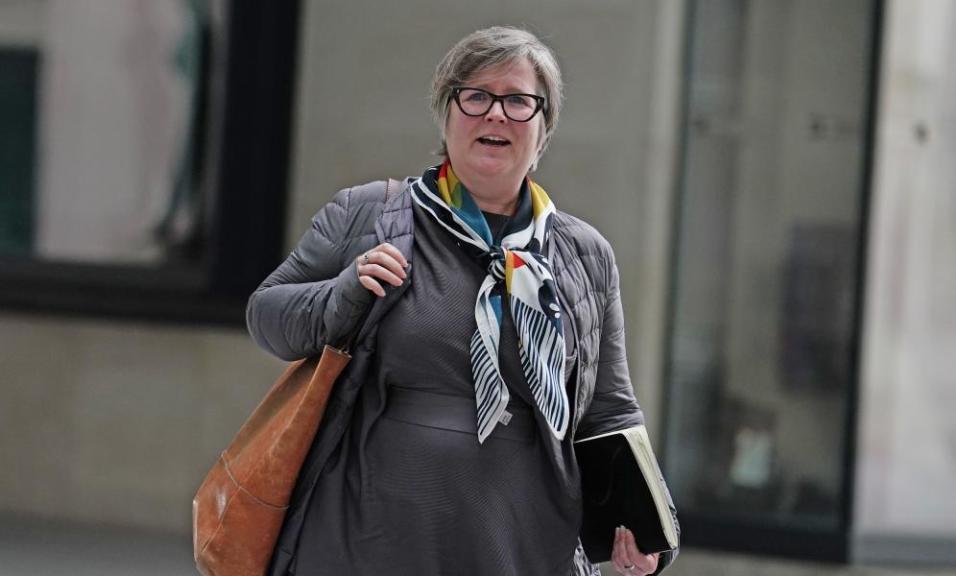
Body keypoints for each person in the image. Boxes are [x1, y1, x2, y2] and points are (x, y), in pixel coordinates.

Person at [246, 25, 678, 576]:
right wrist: (345, 291)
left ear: (543, 130)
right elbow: (267, 319)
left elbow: (609, 409)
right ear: (445, 115)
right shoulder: (370, 215)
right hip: (371, 532)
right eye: (474, 97)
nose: (495, 114)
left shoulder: (583, 254)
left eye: (519, 101)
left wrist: (645, 526)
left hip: (522, 540)